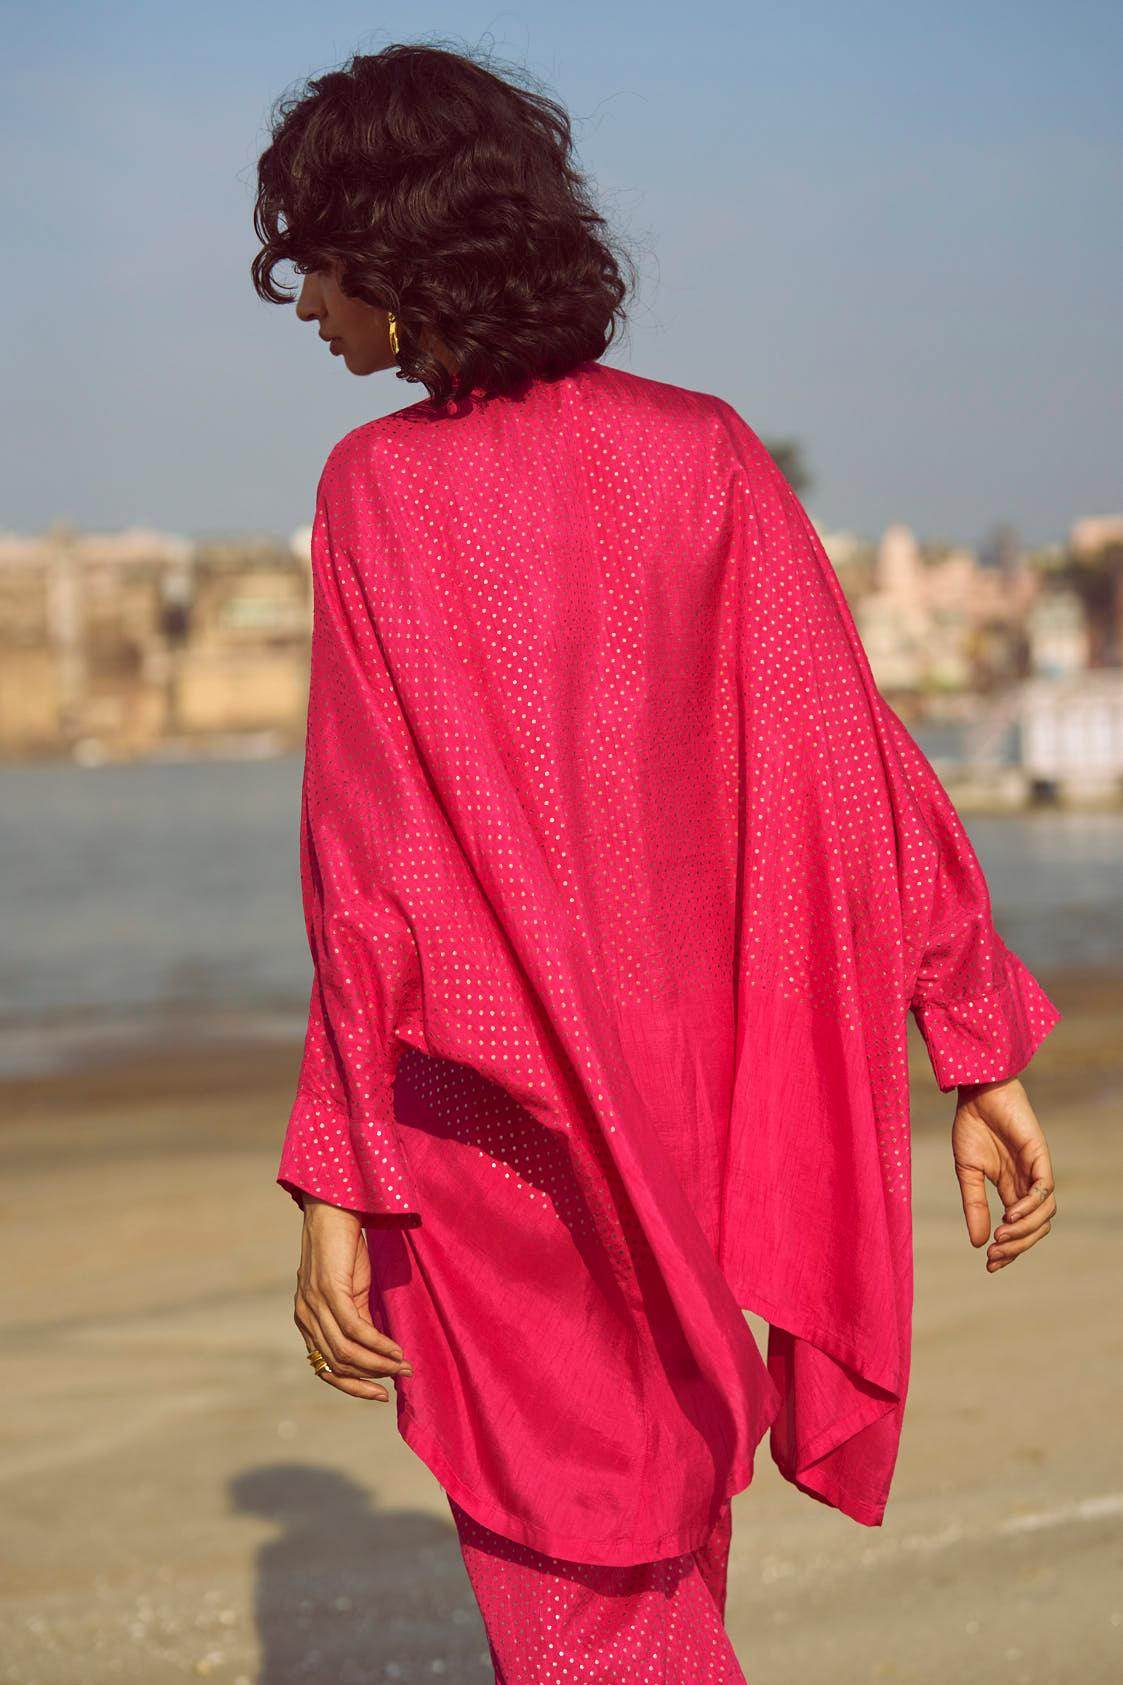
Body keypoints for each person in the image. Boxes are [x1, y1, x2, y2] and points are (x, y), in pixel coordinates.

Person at [251, 42, 1061, 1683]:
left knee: (586, 1582)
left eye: (316, 260)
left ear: (394, 250)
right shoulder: (704, 450)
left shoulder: (378, 492)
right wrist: (971, 1038)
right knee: (659, 1545)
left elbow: (368, 873)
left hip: (495, 1133)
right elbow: (850, 766)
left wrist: (343, 1170)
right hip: (698, 1104)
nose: (306, 302)